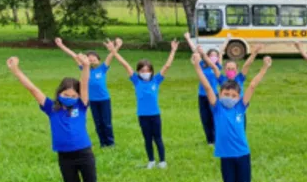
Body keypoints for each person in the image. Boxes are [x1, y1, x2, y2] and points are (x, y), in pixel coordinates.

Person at [8, 54, 105, 182]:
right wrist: (16, 70)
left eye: (72, 94)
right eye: (65, 94)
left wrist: (85, 67)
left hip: (84, 153)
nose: (69, 97)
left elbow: (84, 83)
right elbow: (32, 89)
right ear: (59, 94)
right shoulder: (51, 108)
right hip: (65, 156)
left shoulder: (81, 106)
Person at [191, 51, 273, 182]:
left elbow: (251, 86)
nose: (229, 97)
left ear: (239, 96)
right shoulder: (217, 108)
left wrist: (265, 68)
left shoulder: (240, 108)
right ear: (220, 94)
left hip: (242, 155)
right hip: (226, 157)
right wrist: (197, 66)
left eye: (233, 95)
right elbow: (206, 87)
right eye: (225, 94)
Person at [110, 39, 179, 169]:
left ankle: (162, 161)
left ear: (152, 71)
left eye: (147, 70)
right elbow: (125, 65)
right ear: (138, 72)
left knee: (157, 138)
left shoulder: (156, 80)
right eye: (142, 70)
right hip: (143, 116)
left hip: (155, 115)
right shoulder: (136, 81)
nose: (145, 73)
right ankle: (151, 161)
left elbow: (167, 66)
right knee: (147, 139)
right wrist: (114, 50)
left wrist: (173, 50)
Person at [55, 37, 121, 148]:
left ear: (98, 61)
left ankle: (110, 143)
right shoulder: (84, 69)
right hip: (92, 101)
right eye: (89, 60)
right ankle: (102, 143)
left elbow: (111, 55)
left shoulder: (103, 69)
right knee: (98, 123)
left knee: (106, 122)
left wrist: (117, 46)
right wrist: (61, 45)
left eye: (94, 59)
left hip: (104, 100)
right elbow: (73, 55)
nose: (91, 61)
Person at [184, 32, 224, 146]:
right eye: (211, 55)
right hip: (202, 95)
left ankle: (217, 138)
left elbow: (221, 51)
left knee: (214, 117)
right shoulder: (201, 65)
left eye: (215, 55)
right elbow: (195, 51)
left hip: (214, 95)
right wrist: (188, 38)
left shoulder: (217, 67)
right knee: (205, 118)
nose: (214, 57)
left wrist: (227, 40)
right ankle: (210, 140)